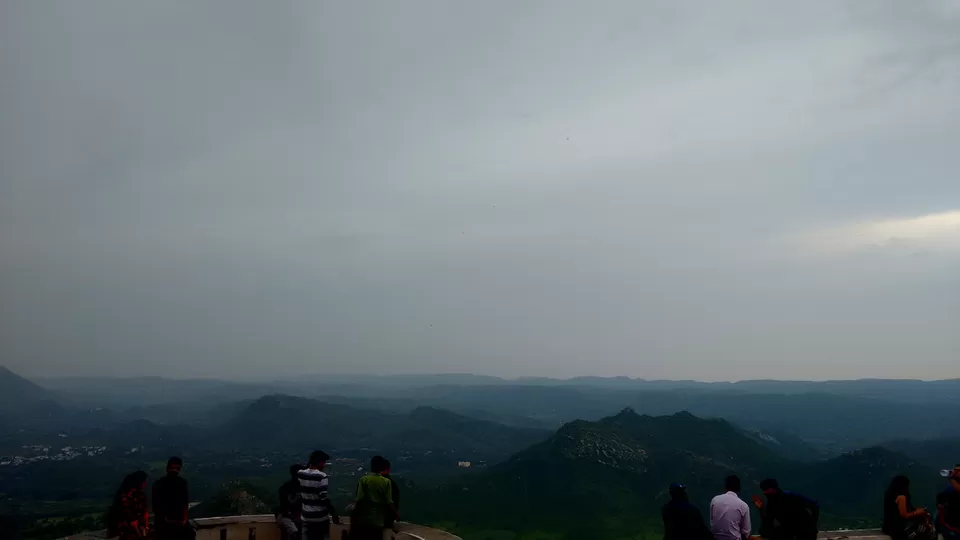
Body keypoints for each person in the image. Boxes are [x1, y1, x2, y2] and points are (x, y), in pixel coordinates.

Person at [753, 478, 819, 540]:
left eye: (766, 490)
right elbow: (768, 523)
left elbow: (814, 505)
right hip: (791, 530)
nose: (764, 492)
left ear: (772, 489)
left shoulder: (791, 497)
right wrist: (761, 509)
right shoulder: (771, 504)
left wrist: (813, 525)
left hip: (805, 530)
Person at [351, 456, 397, 540]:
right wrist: (396, 513)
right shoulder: (386, 482)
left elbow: (359, 499)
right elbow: (389, 502)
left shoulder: (363, 480)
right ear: (381, 467)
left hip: (364, 519)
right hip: (378, 520)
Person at [298, 450, 340, 540]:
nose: (324, 465)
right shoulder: (321, 476)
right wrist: (333, 514)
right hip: (320, 518)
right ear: (320, 462)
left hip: (305, 517)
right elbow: (323, 498)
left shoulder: (300, 474)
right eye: (324, 462)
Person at [882, 475, 935, 540]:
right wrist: (917, 513)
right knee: (929, 531)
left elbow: (897, 511)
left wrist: (916, 510)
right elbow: (904, 515)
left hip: (889, 527)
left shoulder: (889, 495)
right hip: (899, 529)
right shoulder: (901, 497)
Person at [152, 457, 193, 540]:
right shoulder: (181, 483)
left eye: (176, 468)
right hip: (167, 524)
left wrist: (183, 520)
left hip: (172, 523)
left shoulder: (159, 483)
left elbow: (185, 503)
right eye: (173, 468)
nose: (174, 470)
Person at [107, 471, 150, 540]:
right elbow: (131, 520)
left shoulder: (140, 495)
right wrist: (141, 535)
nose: (146, 484)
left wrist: (146, 527)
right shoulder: (125, 497)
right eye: (144, 481)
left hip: (138, 526)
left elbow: (145, 511)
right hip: (127, 528)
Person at [710, 475, 751, 540]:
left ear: (726, 486)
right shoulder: (743, 505)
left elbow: (712, 522)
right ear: (739, 488)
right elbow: (746, 531)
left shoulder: (714, 500)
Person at [276, 464, 303, 540]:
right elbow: (284, 510)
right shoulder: (285, 488)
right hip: (286, 517)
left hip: (297, 517)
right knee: (294, 531)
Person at [936, 465, 960, 540]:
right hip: (950, 527)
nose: (955, 472)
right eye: (955, 470)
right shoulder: (949, 489)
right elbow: (941, 508)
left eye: (958, 470)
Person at [381, 459, 400, 530]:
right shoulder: (391, 484)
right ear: (387, 469)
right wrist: (396, 514)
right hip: (385, 519)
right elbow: (391, 501)